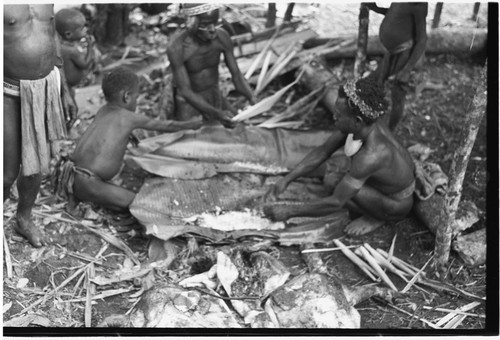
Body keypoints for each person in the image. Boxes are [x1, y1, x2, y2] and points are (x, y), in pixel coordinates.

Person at [263, 77, 416, 236]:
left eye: (338, 115)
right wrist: (287, 179)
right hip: (387, 183)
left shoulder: (371, 155)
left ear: (357, 121)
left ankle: (375, 217)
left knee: (337, 186)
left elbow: (336, 202)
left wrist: (289, 211)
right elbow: (323, 152)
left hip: (396, 204)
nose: (334, 117)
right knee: (334, 180)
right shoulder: (364, 123)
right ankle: (369, 200)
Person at [55, 67, 203, 212]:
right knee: (145, 204)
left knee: (118, 205)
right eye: (136, 98)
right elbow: (165, 125)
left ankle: (97, 198)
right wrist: (192, 124)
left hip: (72, 178)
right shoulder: (128, 117)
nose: (136, 102)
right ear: (127, 96)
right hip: (89, 184)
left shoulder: (103, 111)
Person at [4, 4, 77, 248]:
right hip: (7, 92)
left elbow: (51, 33)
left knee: (35, 165)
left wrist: (63, 89)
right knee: (6, 172)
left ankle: (24, 219)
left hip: (44, 87)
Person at [166, 3, 256, 128]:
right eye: (205, 26)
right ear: (191, 24)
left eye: (215, 23)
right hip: (189, 102)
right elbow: (185, 91)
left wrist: (251, 97)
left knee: (239, 129)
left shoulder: (222, 37)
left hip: (214, 95)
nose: (213, 30)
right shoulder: (177, 47)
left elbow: (236, 75)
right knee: (193, 143)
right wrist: (217, 113)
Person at [365, 3, 428, 130]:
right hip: (393, 53)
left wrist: (407, 70)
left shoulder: (419, 4)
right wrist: (374, 7)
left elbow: (422, 39)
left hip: (405, 55)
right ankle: (371, 118)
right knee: (375, 82)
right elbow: (396, 13)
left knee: (398, 94)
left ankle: (390, 130)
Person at [55, 8, 98, 101]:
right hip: (68, 86)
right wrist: (90, 46)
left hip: (63, 83)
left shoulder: (61, 45)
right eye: (82, 28)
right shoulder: (72, 51)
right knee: (70, 102)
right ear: (68, 34)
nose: (85, 30)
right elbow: (85, 64)